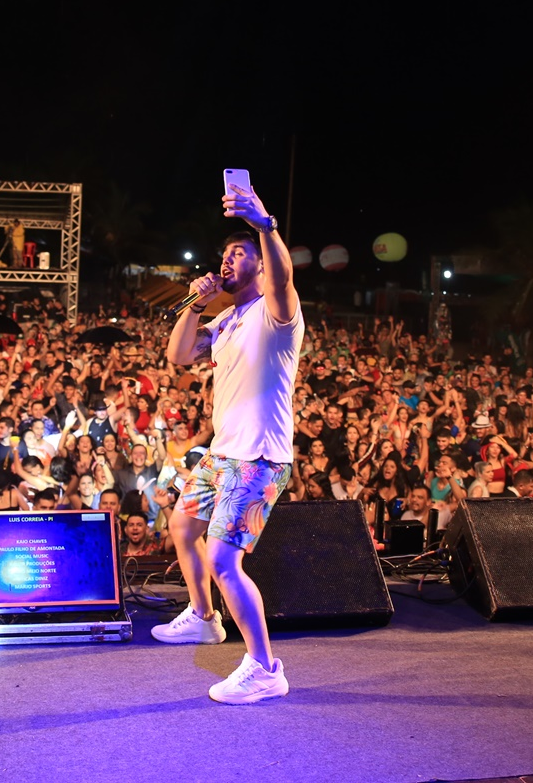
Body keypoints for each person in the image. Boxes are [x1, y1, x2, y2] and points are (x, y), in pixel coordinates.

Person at [154, 178, 302, 705]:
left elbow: (283, 276)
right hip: (222, 453)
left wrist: (263, 226)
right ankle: (203, 617)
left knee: (222, 560)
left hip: (258, 457)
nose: (228, 259)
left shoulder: (277, 313)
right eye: (225, 254)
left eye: (239, 253)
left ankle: (265, 668)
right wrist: (195, 305)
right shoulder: (226, 319)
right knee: (182, 525)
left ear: (259, 266)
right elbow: (178, 356)